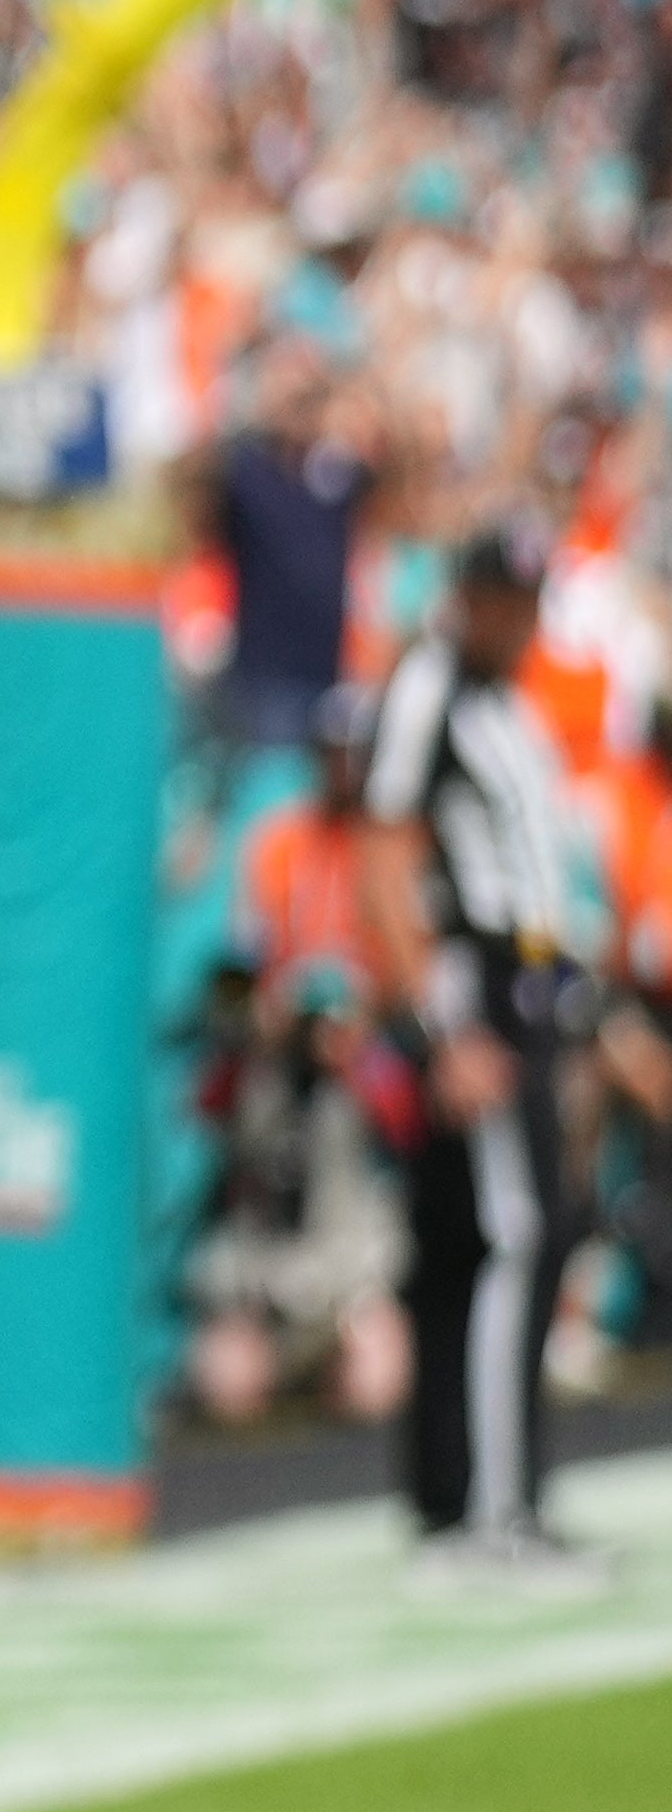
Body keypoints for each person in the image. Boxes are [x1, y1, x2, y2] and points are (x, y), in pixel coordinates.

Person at [356, 526, 607, 1583]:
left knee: (494, 1239)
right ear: (469, 597)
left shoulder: (507, 707)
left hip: (526, 982)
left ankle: (459, 1499)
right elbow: (386, 850)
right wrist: (438, 1024)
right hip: (475, 983)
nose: (520, 619)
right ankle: (493, 1512)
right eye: (505, 599)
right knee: (512, 1237)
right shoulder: (431, 686)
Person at [184, 697, 411, 1430]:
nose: (343, 767)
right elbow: (231, 977)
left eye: (357, 753)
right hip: (280, 1089)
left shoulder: (395, 850)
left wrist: (359, 1034)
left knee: (377, 1380)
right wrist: (273, 1020)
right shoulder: (278, 842)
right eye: (333, 751)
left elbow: (414, 991)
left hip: (361, 1085)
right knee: (226, 1383)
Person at [192, 335, 381, 804]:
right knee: (266, 807)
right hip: (264, 683)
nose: (303, 409)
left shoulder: (336, 474)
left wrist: (353, 402)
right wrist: (251, 412)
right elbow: (189, 486)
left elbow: (404, 481)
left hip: (326, 681)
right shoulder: (245, 470)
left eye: (312, 397)